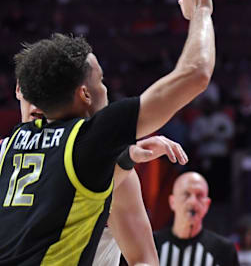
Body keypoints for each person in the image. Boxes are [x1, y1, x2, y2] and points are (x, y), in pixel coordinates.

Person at [0, 0, 215, 266]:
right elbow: (194, 74)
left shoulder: (11, 148)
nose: (106, 88)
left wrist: (127, 156)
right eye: (101, 80)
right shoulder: (90, 140)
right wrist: (202, 11)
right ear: (84, 93)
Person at [10, 83, 186, 266]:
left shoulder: (108, 168)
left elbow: (144, 260)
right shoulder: (4, 154)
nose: (40, 102)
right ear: (18, 89)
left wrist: (126, 159)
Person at [154, 172, 239, 266]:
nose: (193, 201)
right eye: (186, 194)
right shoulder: (152, 244)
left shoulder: (224, 250)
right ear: (172, 202)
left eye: (199, 196)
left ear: (207, 205)